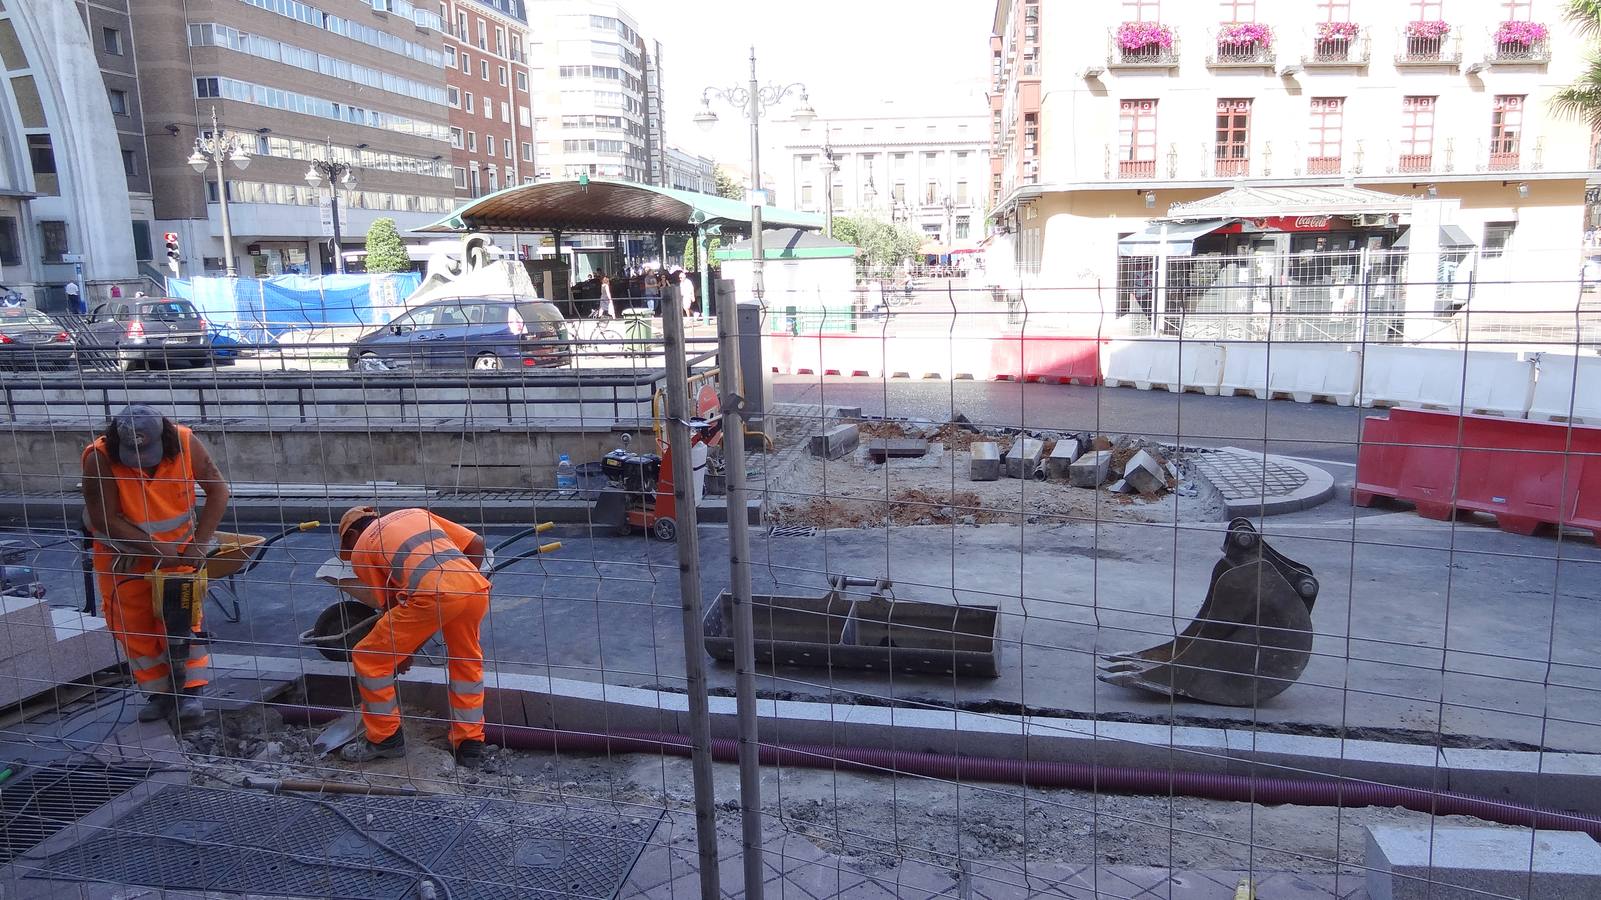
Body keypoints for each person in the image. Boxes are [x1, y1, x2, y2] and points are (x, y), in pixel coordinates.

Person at [81, 405, 232, 725]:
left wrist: (199, 544)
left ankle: (190, 694)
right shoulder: (99, 457)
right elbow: (103, 518)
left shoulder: (185, 442)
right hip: (124, 558)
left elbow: (218, 491)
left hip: (178, 557)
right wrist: (155, 547)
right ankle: (160, 695)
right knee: (134, 628)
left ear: (163, 438)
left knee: (182, 624)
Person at [337, 506, 491, 768]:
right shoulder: (415, 514)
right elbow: (476, 544)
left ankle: (385, 739)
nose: (350, 555)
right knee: (466, 661)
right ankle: (470, 745)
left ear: (352, 534)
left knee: (370, 657)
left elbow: (391, 607)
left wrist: (403, 653)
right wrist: (459, 586)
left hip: (432, 595)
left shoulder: (363, 547)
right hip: (474, 589)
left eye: (346, 546)